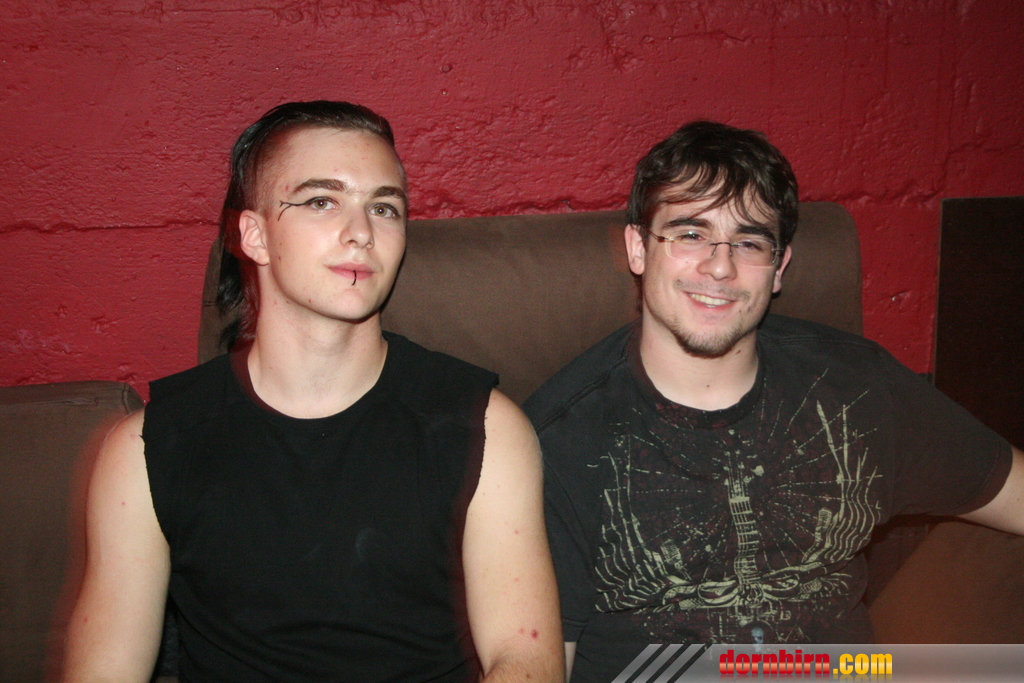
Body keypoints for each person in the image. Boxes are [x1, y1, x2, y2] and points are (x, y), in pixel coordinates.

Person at [63, 101, 563, 683]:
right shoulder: (145, 449)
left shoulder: (485, 429)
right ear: (255, 236)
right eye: (322, 201)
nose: (362, 233)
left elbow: (526, 661)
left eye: (384, 207)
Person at [523, 120, 1024, 681]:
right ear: (639, 249)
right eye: (690, 234)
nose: (720, 266)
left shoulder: (856, 388)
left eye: (749, 242)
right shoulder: (558, 441)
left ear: (779, 267)